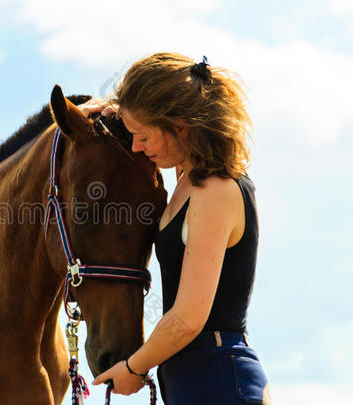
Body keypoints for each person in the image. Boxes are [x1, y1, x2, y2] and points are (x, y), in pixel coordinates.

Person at [82, 52, 271, 404]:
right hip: (196, 377)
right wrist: (111, 109)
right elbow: (163, 109)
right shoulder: (187, 175)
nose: (136, 146)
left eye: (143, 136)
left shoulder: (215, 190)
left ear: (180, 128)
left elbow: (186, 319)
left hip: (219, 379)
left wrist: (134, 367)